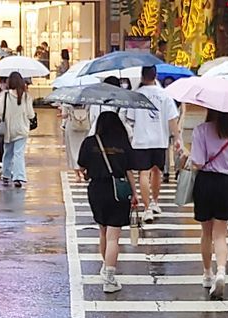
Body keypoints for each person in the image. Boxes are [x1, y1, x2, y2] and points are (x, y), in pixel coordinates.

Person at [78, 112, 138, 293]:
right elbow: (129, 171)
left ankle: (106, 267)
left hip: (97, 189)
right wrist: (135, 194)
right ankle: (109, 278)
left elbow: (81, 166)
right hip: (118, 190)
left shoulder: (89, 142)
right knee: (114, 236)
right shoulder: (123, 143)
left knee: (103, 231)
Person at [191, 110, 228, 300]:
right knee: (220, 234)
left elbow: (198, 162)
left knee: (206, 233)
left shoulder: (201, 130)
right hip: (226, 183)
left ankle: (207, 274)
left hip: (205, 182)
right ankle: (221, 271)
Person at [127, 66, 181, 223]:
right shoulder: (164, 95)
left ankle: (147, 207)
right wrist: (177, 137)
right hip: (160, 139)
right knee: (157, 171)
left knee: (143, 173)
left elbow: (130, 119)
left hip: (141, 139)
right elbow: (172, 119)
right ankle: (156, 202)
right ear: (155, 75)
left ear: (142, 76)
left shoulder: (136, 95)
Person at [0, 72, 35, 188]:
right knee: (18, 153)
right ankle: (18, 176)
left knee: (8, 152)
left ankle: (6, 174)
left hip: (8, 129)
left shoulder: (5, 95)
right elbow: (31, 114)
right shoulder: (26, 96)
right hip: (22, 129)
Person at [61, 103, 90, 182]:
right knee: (84, 149)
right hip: (85, 125)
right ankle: (84, 169)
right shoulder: (87, 102)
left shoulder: (66, 102)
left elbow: (64, 115)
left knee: (73, 149)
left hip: (72, 126)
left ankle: (77, 174)